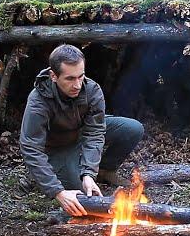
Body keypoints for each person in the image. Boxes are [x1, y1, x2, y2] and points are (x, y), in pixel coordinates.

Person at [19, 44, 144, 216]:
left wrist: (89, 174)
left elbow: (95, 132)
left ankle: (104, 171)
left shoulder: (92, 90)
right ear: (53, 76)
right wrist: (58, 192)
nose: (77, 85)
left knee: (133, 129)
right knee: (81, 196)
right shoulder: (38, 101)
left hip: (81, 134)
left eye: (81, 76)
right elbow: (31, 148)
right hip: (58, 147)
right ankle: (59, 173)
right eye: (70, 79)